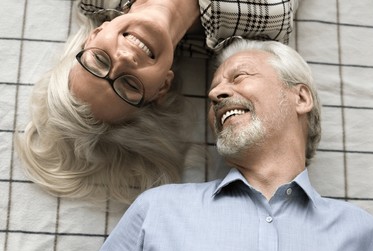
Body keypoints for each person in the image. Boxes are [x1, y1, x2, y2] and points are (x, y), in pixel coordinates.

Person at [95, 39, 373, 251]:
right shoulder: (157, 210)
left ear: (300, 97)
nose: (215, 94)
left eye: (239, 77)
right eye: (213, 90)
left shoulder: (366, 237)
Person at [15, 0, 299, 204]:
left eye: (99, 60)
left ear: (95, 34)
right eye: (129, 84)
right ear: (162, 86)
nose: (124, 59)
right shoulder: (265, 18)